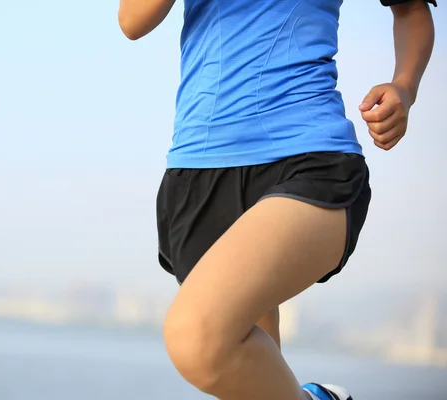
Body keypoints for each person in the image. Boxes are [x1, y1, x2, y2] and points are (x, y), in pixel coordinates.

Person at [118, 0, 435, 399]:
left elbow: (410, 10)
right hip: (199, 166)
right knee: (254, 379)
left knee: (196, 338)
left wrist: (404, 86)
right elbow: (131, 20)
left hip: (307, 155)